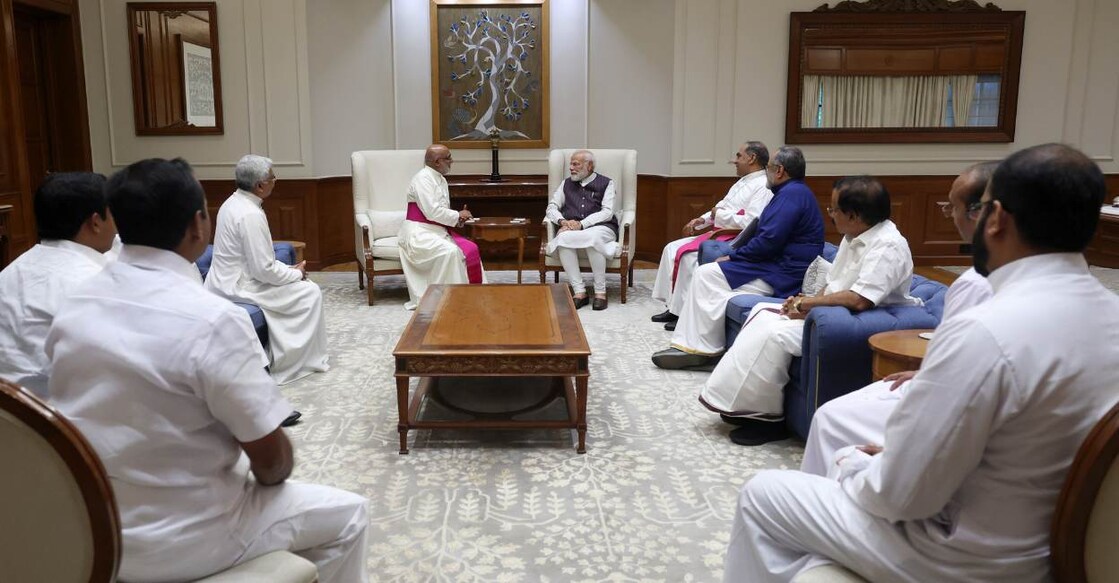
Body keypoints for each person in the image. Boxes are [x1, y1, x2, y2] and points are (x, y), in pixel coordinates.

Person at [724, 144, 1119, 583]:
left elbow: (899, 497)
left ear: (996, 218)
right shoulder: (1111, 315)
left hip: (959, 557)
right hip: (1044, 550)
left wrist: (854, 466)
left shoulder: (985, 331)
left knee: (764, 493)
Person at [47, 158, 369, 583]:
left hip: (95, 528)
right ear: (198, 226)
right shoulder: (213, 320)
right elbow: (272, 463)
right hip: (188, 537)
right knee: (351, 514)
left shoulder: (73, 307)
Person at [801, 162, 997, 476]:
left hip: (961, 413)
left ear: (986, 213)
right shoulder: (982, 279)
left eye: (951, 207)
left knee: (828, 421)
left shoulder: (976, 285)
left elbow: (973, 381)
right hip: (950, 390)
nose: (949, 215)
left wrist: (903, 450)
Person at [699, 175, 921, 446]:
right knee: (762, 314)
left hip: (859, 320)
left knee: (774, 334)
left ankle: (769, 420)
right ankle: (743, 406)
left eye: (834, 209)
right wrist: (805, 303)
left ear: (853, 215)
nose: (830, 214)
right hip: (836, 312)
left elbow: (860, 299)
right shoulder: (854, 235)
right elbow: (834, 283)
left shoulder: (888, 245)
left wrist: (807, 305)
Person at [652, 146, 824, 369]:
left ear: (780, 171)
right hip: (775, 265)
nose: (767, 172)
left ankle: (702, 351)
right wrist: (736, 257)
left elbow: (768, 241)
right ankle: (697, 346)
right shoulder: (793, 192)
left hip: (782, 273)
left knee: (706, 275)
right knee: (707, 275)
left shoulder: (791, 195)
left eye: (769, 167)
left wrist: (734, 258)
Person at [205, 154, 329, 385]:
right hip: (238, 286)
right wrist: (296, 273)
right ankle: (292, 362)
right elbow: (263, 271)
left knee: (301, 286)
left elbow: (256, 260)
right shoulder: (250, 214)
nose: (275, 181)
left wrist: (287, 269)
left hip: (226, 279)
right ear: (260, 185)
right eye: (272, 177)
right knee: (309, 291)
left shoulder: (232, 202)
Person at [0, 172, 116, 397]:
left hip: (9, 411)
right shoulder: (97, 286)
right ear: (95, 222)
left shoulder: (10, 272)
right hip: (59, 412)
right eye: (113, 214)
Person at [650, 142, 772, 330]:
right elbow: (721, 207)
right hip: (720, 231)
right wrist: (701, 220)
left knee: (688, 257)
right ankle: (674, 307)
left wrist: (719, 215)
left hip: (735, 238)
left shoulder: (763, 185)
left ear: (752, 158)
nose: (734, 160)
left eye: (738, 156)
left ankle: (686, 314)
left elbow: (751, 221)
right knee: (671, 248)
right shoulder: (742, 181)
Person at [399, 144, 485, 310]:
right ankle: (448, 297)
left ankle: (470, 294)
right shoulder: (423, 179)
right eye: (448, 158)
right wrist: (457, 215)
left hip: (436, 231)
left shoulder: (440, 179)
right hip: (419, 233)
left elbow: (441, 212)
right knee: (451, 252)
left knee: (469, 249)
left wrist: (458, 219)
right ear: (437, 161)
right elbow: (432, 212)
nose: (452, 161)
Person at [542, 149, 621, 310]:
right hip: (573, 229)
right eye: (571, 164)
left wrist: (582, 224)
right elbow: (552, 207)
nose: (571, 168)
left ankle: (600, 292)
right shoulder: (566, 184)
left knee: (592, 238)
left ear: (589, 166)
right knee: (563, 238)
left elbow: (607, 212)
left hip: (603, 227)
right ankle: (579, 292)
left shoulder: (606, 183)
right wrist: (563, 221)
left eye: (576, 164)